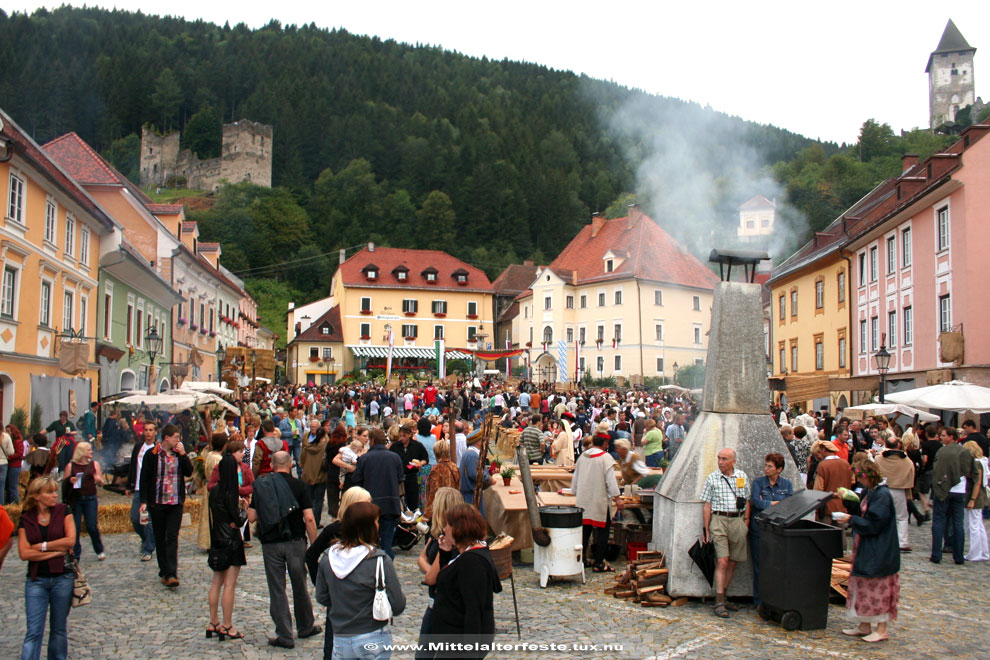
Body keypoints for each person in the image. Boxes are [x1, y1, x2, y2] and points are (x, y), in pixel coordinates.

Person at [315, 501, 406, 660]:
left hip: (341, 637)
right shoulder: (379, 560)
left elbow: (322, 596)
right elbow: (398, 604)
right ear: (369, 528)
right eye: (376, 522)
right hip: (373, 634)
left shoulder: (328, 558)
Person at [249, 451, 321, 648]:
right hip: (296, 542)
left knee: (277, 589)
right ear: (290, 465)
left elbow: (252, 517)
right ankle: (305, 626)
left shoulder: (263, 485)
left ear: (272, 465)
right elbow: (309, 518)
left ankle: (285, 634)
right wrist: (314, 544)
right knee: (300, 585)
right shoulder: (300, 486)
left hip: (271, 543)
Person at [833, 461, 900, 643]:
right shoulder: (870, 491)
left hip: (879, 549)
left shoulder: (882, 495)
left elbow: (875, 523)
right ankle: (864, 624)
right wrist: (848, 501)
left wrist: (851, 519)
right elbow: (864, 514)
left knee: (878, 587)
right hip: (867, 546)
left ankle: (882, 628)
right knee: (863, 585)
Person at [429, 503, 501, 659]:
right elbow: (449, 581)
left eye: (448, 524)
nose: (445, 529)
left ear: (459, 528)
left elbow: (474, 608)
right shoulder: (466, 554)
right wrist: (445, 554)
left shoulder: (472, 562)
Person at [17, 476, 77, 660]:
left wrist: (42, 547)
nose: (54, 495)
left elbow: (70, 541)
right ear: (36, 496)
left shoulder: (64, 510)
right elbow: (25, 553)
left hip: (62, 578)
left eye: (55, 491)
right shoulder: (26, 518)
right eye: (49, 492)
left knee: (58, 629)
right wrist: (54, 551)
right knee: (34, 631)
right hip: (37, 580)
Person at [139, 423, 194, 588]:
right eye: (176, 437)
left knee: (172, 537)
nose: (178, 440)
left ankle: (172, 573)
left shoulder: (179, 455)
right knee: (160, 537)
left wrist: (184, 455)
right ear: (167, 438)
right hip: (158, 502)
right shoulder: (152, 454)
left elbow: (189, 472)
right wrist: (143, 501)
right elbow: (145, 478)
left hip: (175, 502)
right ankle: (164, 570)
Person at [701, 448, 750, 618]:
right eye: (719, 458)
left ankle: (725, 594)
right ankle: (719, 600)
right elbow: (707, 505)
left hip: (737, 520)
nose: (720, 462)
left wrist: (746, 522)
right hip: (719, 519)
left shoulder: (741, 477)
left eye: (724, 459)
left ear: (733, 461)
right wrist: (706, 529)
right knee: (722, 560)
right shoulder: (712, 478)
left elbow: (747, 499)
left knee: (733, 561)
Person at [416, 487, 462, 659]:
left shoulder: (447, 539)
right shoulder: (437, 534)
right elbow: (421, 558)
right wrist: (432, 570)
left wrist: (431, 571)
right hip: (435, 603)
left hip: (441, 605)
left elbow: (430, 578)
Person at [206, 448, 247, 641]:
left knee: (216, 582)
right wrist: (244, 510)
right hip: (231, 539)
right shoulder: (230, 492)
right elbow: (238, 521)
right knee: (229, 585)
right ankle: (228, 624)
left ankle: (213, 621)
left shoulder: (214, 491)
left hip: (217, 538)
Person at [572, 432, 622, 573]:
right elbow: (611, 482)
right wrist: (617, 498)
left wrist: (575, 491)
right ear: (605, 443)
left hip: (584, 499)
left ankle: (580, 559)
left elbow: (575, 478)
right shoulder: (606, 458)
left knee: (585, 531)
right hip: (599, 499)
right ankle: (599, 562)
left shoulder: (583, 456)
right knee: (603, 532)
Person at [748, 452, 793, 606]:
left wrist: (767, 502)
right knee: (759, 566)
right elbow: (755, 502)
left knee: (776, 566)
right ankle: (759, 600)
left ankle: (774, 598)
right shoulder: (759, 483)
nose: (766, 469)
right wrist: (774, 504)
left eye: (770, 466)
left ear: (779, 469)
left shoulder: (786, 485)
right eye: (766, 465)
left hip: (777, 529)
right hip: (759, 529)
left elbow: (789, 504)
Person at [352, 428, 404, 559]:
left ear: (372, 441)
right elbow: (400, 479)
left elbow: (356, 480)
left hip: (370, 504)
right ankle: (386, 568)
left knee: (369, 543)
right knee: (387, 543)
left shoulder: (365, 459)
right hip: (390, 504)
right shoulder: (395, 458)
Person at [930, 427, 976, 564]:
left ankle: (936, 554)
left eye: (944, 435)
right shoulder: (965, 451)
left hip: (945, 489)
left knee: (939, 521)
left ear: (951, 437)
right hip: (959, 490)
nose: (941, 438)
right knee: (957, 523)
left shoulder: (942, 451)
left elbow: (936, 470)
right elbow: (971, 470)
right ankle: (958, 556)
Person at [65, 441, 106, 560]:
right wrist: (70, 480)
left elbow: (101, 483)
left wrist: (98, 479)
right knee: (75, 527)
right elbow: (64, 484)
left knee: (92, 526)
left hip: (90, 499)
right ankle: (76, 553)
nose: (91, 452)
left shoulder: (94, 464)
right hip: (76, 499)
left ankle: (99, 549)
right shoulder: (71, 466)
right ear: (82, 452)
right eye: (89, 450)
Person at [875, 437, 916, 552]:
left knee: (882, 515)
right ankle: (902, 542)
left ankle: (881, 539)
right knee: (901, 517)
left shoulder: (879, 458)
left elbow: (874, 471)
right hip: (899, 489)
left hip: (883, 488)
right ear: (898, 446)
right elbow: (911, 473)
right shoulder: (906, 460)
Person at [126, 421, 158, 561]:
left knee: (148, 520)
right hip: (138, 488)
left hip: (152, 490)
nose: (148, 432)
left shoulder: (157, 449)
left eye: (151, 430)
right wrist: (129, 485)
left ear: (155, 432)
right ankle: (146, 539)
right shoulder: (139, 447)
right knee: (135, 518)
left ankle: (149, 548)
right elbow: (133, 466)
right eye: (146, 430)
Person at [390, 420, 429, 512]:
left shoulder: (417, 446)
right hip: (398, 477)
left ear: (410, 435)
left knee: (413, 501)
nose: (402, 438)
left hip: (412, 476)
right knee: (399, 501)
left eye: (404, 436)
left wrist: (420, 463)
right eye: (400, 436)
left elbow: (425, 459)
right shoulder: (395, 446)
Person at [198, 434, 228, 551]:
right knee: (214, 516)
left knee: (208, 515)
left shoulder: (209, 455)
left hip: (208, 488)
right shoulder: (218, 459)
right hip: (216, 489)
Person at [962, 441, 989, 561]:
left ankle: (975, 553)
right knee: (978, 524)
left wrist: (972, 499)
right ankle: (983, 552)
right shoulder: (982, 461)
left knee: (973, 525)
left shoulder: (976, 464)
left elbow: (977, 483)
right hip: (978, 495)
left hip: (975, 495)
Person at [812, 441, 853, 519]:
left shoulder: (823, 465)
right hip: (843, 506)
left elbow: (818, 489)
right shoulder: (846, 463)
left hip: (826, 508)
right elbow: (852, 480)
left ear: (824, 450)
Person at [423, 440, 460, 520]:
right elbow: (458, 487)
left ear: (436, 453)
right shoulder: (454, 467)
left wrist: (426, 516)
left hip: (440, 511)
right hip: (454, 508)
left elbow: (433, 494)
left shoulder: (436, 470)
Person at [301, 421, 328, 526]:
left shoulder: (307, 447)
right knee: (318, 500)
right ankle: (315, 521)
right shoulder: (324, 446)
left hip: (308, 475)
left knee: (310, 499)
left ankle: (309, 519)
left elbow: (301, 461)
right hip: (320, 475)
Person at [458, 431, 490, 509]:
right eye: (482, 440)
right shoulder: (472, 455)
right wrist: (488, 478)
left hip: (472, 495)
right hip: (471, 497)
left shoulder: (471, 453)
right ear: (477, 442)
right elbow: (475, 474)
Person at [3, 424, 25, 504]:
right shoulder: (10, 441)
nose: (7, 433)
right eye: (6, 431)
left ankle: (15, 503)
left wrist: (8, 457)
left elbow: (19, 454)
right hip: (10, 465)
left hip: (14, 466)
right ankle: (10, 502)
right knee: (9, 486)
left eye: (9, 431)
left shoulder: (17, 441)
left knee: (13, 486)